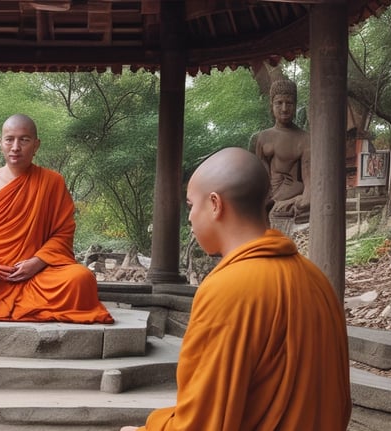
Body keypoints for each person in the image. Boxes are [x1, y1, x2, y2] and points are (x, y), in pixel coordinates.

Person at [121, 147, 350, 431]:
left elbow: (202, 423)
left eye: (191, 205)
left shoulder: (228, 289)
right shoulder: (318, 280)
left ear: (215, 204)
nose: (190, 218)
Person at [0, 114, 114, 324]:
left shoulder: (53, 181)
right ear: (0, 143)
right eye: (9, 139)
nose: (15, 147)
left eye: (24, 140)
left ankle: (22, 302)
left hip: (40, 272)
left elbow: (63, 233)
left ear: (36, 145)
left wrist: (37, 263)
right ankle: (30, 305)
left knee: (81, 279)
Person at [250, 79, 310, 222]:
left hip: (291, 193)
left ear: (295, 106)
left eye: (289, 103)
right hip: (268, 196)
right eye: (279, 103)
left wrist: (302, 200)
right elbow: (258, 177)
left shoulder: (305, 139)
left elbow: (309, 181)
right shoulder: (262, 138)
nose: (284, 108)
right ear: (272, 105)